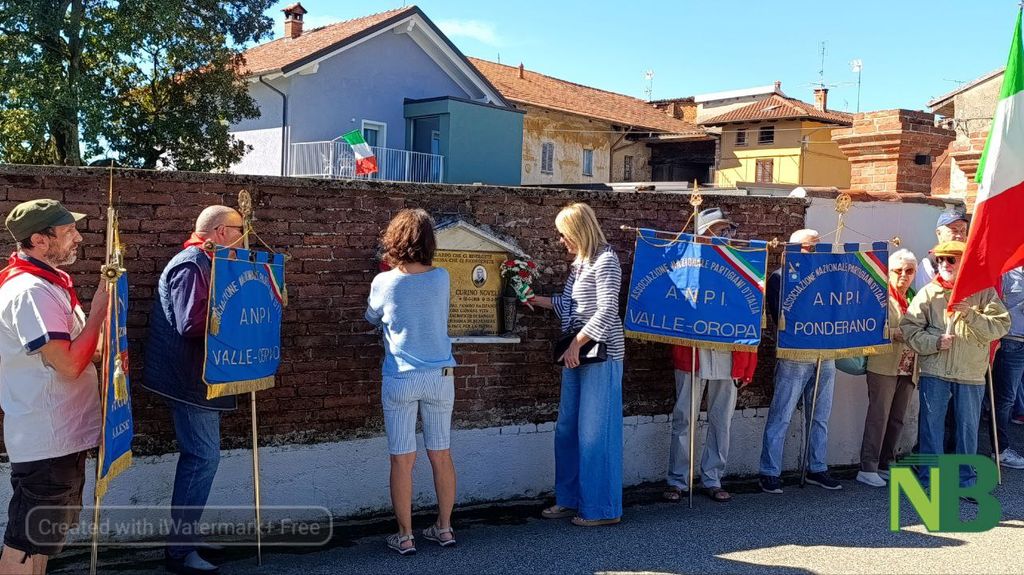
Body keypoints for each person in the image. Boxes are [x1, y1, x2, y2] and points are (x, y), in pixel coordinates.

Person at [0, 199, 108, 575]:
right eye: (68, 231)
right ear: (39, 240)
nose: (78, 238)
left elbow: (87, 351)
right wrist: (99, 311)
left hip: (61, 437)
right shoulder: (31, 291)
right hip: (47, 439)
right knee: (24, 546)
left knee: (40, 543)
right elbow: (68, 364)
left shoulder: (50, 284)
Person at [143, 205, 245, 574]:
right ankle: (179, 551)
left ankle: (186, 537)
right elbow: (191, 323)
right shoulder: (191, 264)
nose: (244, 238)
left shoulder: (209, 261)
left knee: (203, 458)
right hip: (188, 380)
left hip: (199, 377)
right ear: (221, 232)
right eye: (240, 230)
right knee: (202, 458)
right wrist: (242, 315)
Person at [365, 208, 458, 555]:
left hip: (401, 377)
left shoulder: (383, 282)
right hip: (440, 376)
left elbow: (371, 316)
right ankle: (444, 528)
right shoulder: (442, 277)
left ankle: (405, 536)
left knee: (402, 460)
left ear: (394, 240)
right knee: (441, 455)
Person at [529, 202, 624, 527]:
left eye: (563, 233)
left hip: (601, 354)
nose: (560, 240)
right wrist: (538, 300)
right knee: (568, 430)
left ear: (578, 231)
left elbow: (607, 309)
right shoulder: (580, 264)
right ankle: (569, 499)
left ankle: (602, 509)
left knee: (595, 433)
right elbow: (572, 304)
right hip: (578, 354)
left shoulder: (606, 260)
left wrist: (576, 343)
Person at [663, 208, 756, 504]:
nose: (721, 236)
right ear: (701, 234)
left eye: (725, 230)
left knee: (721, 419)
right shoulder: (683, 265)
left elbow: (752, 316)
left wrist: (748, 364)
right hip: (693, 351)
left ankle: (713, 477)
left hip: (729, 354)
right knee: (684, 417)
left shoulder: (743, 266)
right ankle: (678, 479)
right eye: (715, 231)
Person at [901, 241, 1009, 489]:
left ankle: (966, 482)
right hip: (935, 370)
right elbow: (909, 329)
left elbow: (1001, 326)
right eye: (940, 259)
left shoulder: (984, 292)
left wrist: (971, 314)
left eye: (951, 259)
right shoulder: (928, 292)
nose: (944, 264)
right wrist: (935, 342)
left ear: (965, 263)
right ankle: (930, 481)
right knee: (931, 429)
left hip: (970, 371)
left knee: (967, 431)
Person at [759, 229, 842, 493]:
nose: (814, 252)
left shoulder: (827, 277)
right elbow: (780, 316)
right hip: (795, 354)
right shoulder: (779, 277)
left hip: (824, 353)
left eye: (817, 247)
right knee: (781, 414)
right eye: (810, 247)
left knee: (820, 416)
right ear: (794, 249)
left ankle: (817, 467)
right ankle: (769, 471)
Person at [856, 249, 919, 487]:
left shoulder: (915, 296)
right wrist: (894, 333)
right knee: (878, 417)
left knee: (898, 418)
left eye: (909, 271)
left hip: (909, 365)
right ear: (888, 272)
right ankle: (868, 467)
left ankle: (886, 463)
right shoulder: (879, 296)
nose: (904, 275)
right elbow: (866, 327)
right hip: (883, 364)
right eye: (898, 270)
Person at [991, 266, 1024, 469]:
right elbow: (995, 304)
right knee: (1005, 399)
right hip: (1012, 340)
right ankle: (1000, 449)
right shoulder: (1007, 271)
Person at [914, 208, 968, 292]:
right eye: (954, 231)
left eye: (963, 231)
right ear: (939, 233)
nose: (959, 236)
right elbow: (924, 296)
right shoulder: (929, 264)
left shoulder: (971, 259)